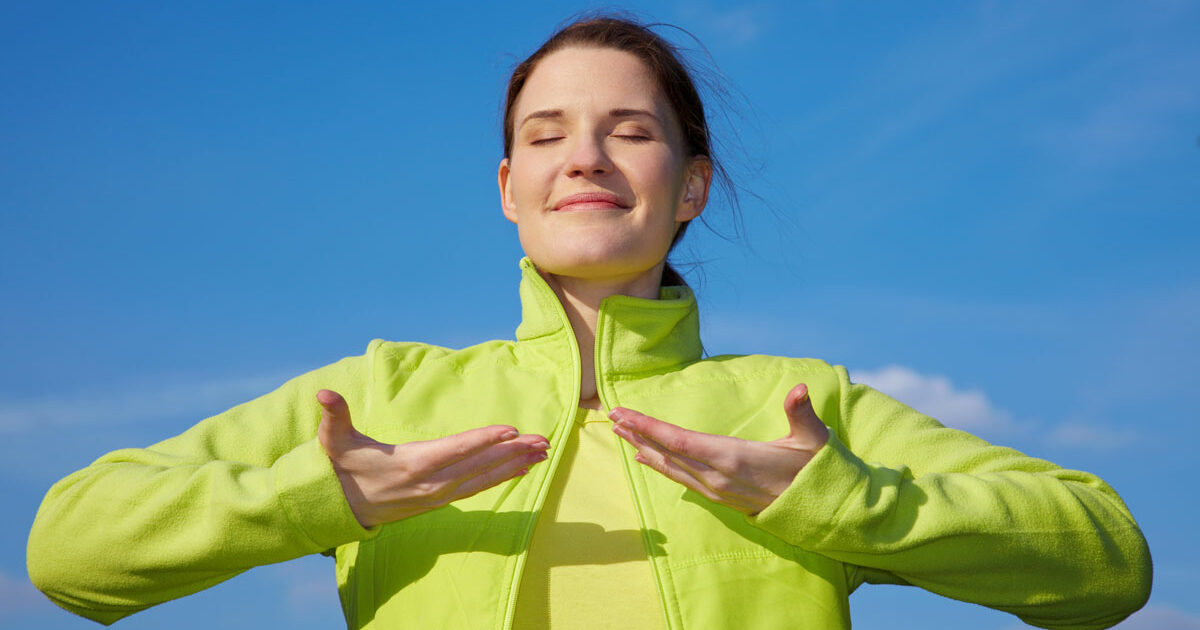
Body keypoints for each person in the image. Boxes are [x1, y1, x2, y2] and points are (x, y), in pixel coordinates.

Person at [28, 15, 1151, 630]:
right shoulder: (374, 398)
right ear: (509, 184)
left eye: (631, 130)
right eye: (550, 131)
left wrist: (836, 501)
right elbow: (72, 550)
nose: (587, 156)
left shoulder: (800, 406)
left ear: (693, 185)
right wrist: (331, 495)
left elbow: (1108, 561)